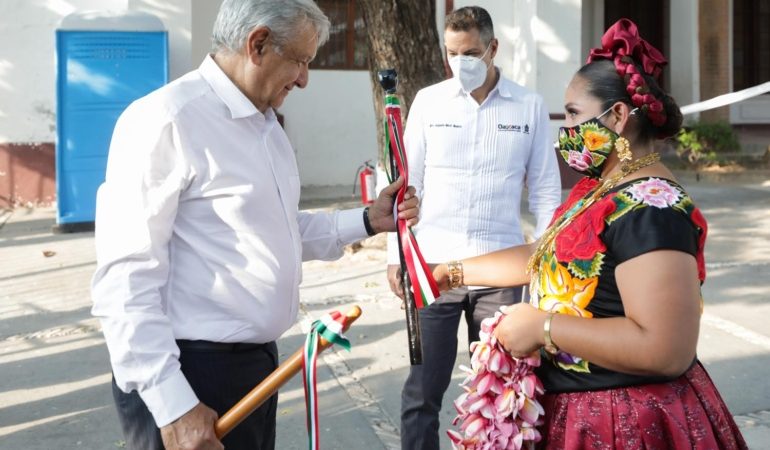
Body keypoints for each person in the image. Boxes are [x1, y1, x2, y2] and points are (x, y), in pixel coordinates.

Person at [90, 1, 420, 449]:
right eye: (301, 61)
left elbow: (277, 231)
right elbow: (124, 280)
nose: (304, 79)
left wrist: (366, 221)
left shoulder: (266, 127)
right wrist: (173, 406)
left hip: (255, 371)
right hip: (189, 375)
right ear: (258, 43)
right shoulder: (166, 120)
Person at [432, 18, 747, 449]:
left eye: (575, 114)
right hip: (582, 411)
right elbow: (543, 255)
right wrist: (449, 272)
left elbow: (665, 348)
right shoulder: (600, 189)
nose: (567, 129)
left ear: (617, 116)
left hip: (628, 422)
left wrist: (543, 326)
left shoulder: (652, 208)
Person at [387, 6, 561, 449]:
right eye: (451, 53)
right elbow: (408, 188)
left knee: (503, 392)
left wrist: (542, 262)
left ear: (493, 48)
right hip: (434, 270)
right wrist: (396, 256)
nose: (460, 62)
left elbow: (544, 191)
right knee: (422, 392)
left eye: (470, 52)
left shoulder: (529, 105)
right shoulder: (428, 101)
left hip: (501, 274)